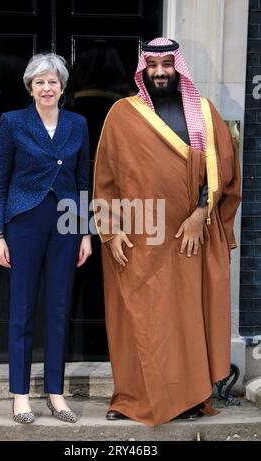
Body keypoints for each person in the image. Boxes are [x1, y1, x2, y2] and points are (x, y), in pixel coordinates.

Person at [93, 37, 241, 426]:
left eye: (167, 64)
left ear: (179, 68)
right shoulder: (121, 114)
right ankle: (130, 399)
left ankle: (190, 399)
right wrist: (111, 230)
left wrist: (199, 214)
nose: (160, 71)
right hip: (139, 239)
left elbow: (222, 171)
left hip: (190, 239)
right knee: (137, 320)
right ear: (144, 70)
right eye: (153, 65)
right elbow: (105, 179)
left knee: (185, 320)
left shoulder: (204, 114)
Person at [0, 53, 92, 424]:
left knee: (58, 309)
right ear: (30, 87)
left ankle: (55, 393)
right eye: (40, 82)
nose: (46, 88)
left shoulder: (77, 124)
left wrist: (86, 233)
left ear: (62, 87)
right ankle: (20, 396)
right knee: (22, 310)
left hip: (66, 223)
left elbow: (83, 181)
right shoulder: (12, 123)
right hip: (24, 223)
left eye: (53, 82)